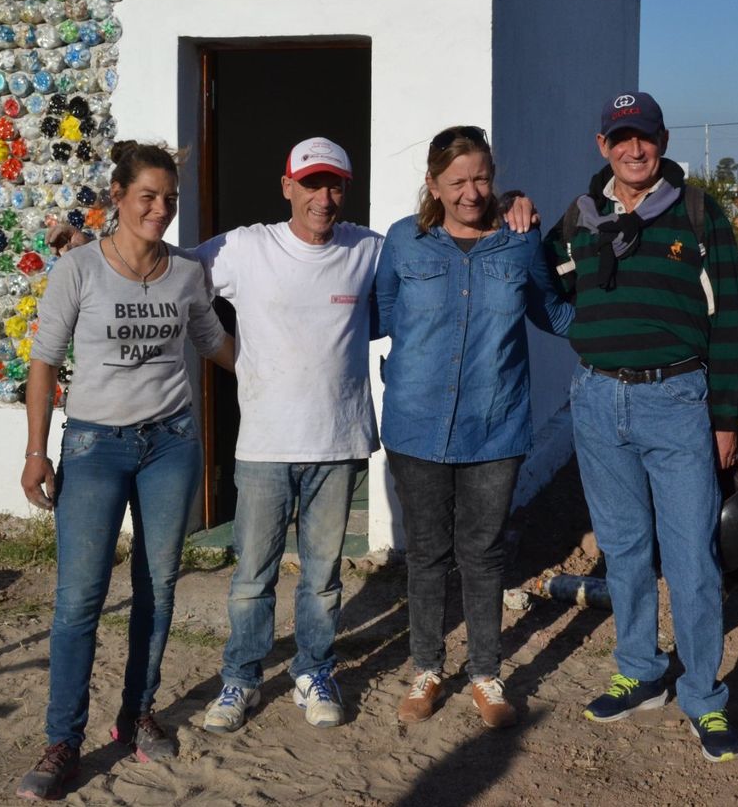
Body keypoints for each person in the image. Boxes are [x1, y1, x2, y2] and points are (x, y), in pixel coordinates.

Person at [50, 137, 539, 737]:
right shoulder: (242, 247)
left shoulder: (371, 248)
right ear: (288, 186)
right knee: (252, 575)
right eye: (311, 183)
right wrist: (91, 251)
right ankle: (242, 677)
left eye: (334, 185)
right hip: (262, 443)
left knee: (322, 577)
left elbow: (444, 245)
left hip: (337, 442)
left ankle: (314, 670)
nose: (323, 197)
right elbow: (159, 261)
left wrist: (512, 203)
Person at [16, 141, 234, 801]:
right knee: (79, 598)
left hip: (170, 447)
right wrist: (35, 451)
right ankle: (62, 740)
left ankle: (136, 715)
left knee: (157, 588)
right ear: (117, 196)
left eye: (169, 199)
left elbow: (216, 347)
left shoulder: (187, 273)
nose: (160, 210)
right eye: (147, 196)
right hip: (93, 448)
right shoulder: (78, 269)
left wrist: (289, 371)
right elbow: (44, 364)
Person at [546, 91, 738, 763]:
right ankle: (640, 669)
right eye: (622, 138)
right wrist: (586, 337)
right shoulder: (579, 217)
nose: (635, 150)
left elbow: (728, 322)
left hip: (677, 400)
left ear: (662, 141)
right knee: (625, 548)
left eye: (646, 138)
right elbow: (540, 282)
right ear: (603, 145)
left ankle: (703, 696)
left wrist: (724, 417)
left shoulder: (698, 215)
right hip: (598, 403)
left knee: (692, 556)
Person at [374, 126, 572, 729]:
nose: (470, 192)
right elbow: (373, 315)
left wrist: (626, 324)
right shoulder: (404, 243)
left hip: (495, 427)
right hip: (416, 426)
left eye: (481, 178)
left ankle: (485, 672)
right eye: (456, 181)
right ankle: (427, 668)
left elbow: (555, 312)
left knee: (483, 554)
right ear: (433, 184)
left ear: (495, 174)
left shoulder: (518, 240)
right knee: (428, 554)